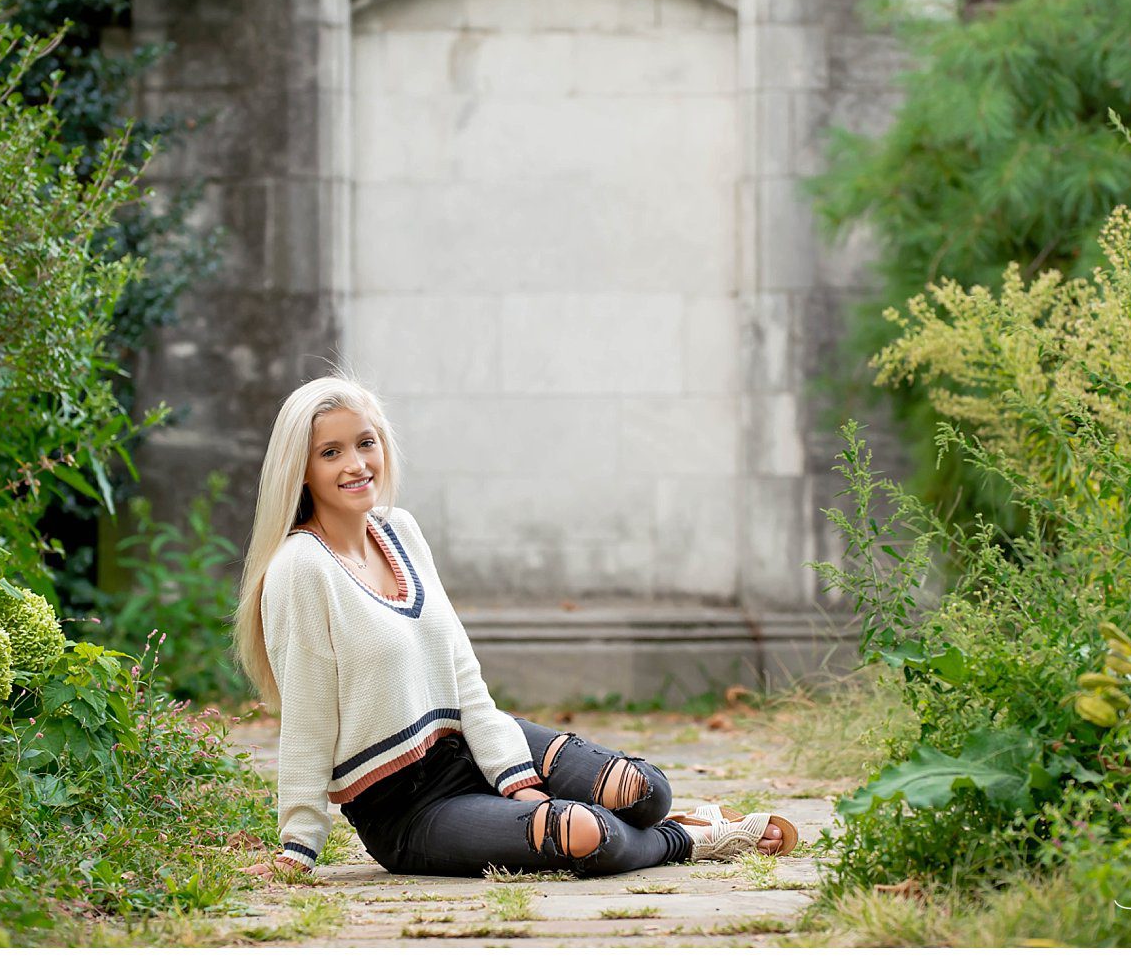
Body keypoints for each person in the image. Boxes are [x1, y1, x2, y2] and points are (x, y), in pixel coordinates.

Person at [232, 376, 796, 879]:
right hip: (408, 808)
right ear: (300, 470)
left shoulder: (399, 531)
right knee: (585, 833)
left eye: (365, 442)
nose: (356, 464)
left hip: (472, 741)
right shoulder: (299, 570)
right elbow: (306, 716)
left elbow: (461, 671)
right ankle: (694, 839)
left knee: (645, 792)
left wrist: (510, 772)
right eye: (331, 452)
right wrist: (298, 847)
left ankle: (655, 821)